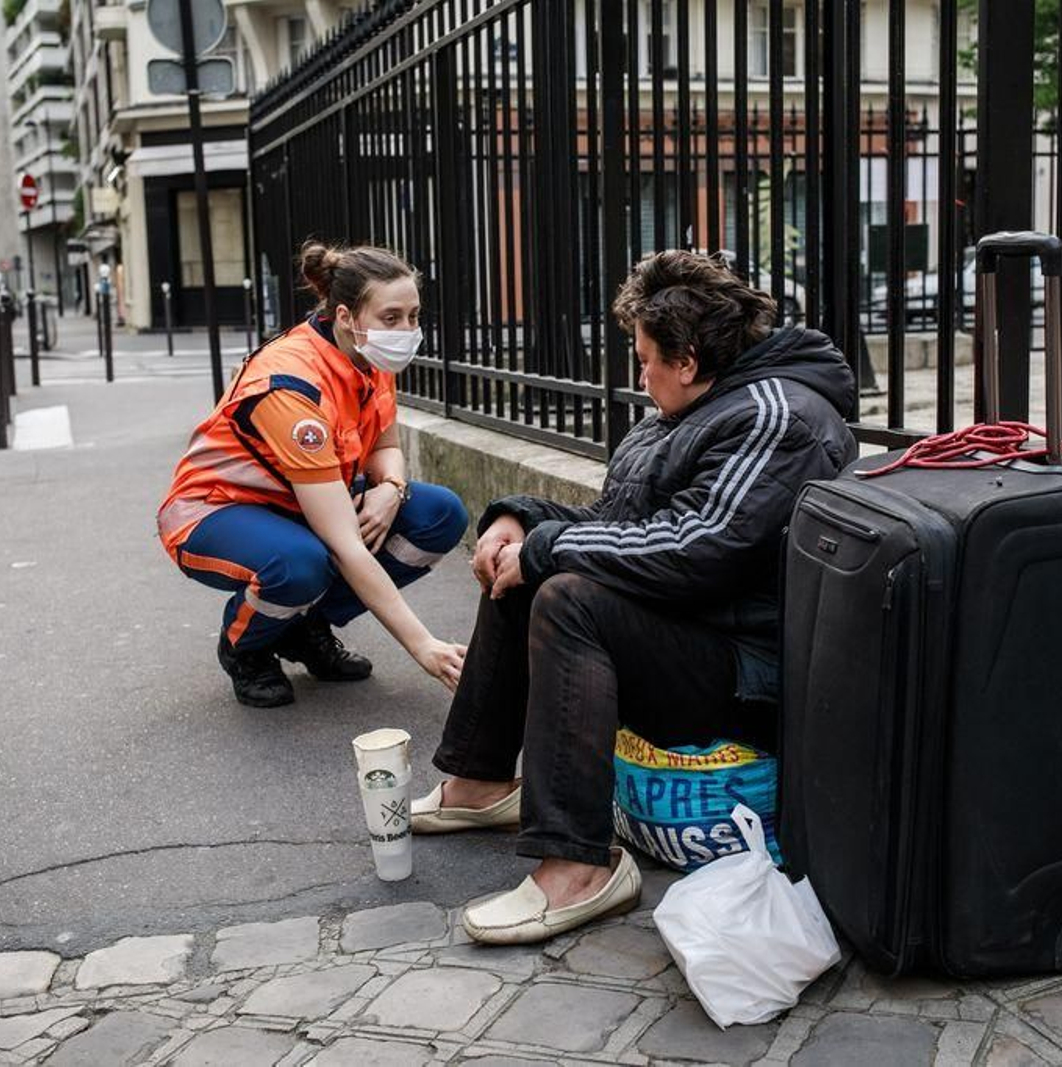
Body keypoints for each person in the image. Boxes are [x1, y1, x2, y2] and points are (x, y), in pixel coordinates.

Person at [413, 250, 857, 944]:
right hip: (692, 630)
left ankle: (579, 867)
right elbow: (621, 528)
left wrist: (546, 549)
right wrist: (521, 519)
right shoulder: (685, 410)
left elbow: (697, 547)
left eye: (645, 357)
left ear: (686, 358)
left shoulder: (778, 417)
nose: (639, 373)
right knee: (522, 563)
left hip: (748, 673)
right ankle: (483, 781)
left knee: (567, 595)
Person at [157, 242, 470, 707]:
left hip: (303, 504)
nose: (407, 330)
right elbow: (344, 545)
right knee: (300, 563)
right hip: (214, 510)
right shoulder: (292, 386)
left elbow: (385, 447)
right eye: (392, 317)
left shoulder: (368, 355)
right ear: (346, 316)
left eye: (413, 315)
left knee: (440, 514)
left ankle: (302, 627)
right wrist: (422, 645)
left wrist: (391, 487)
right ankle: (246, 647)